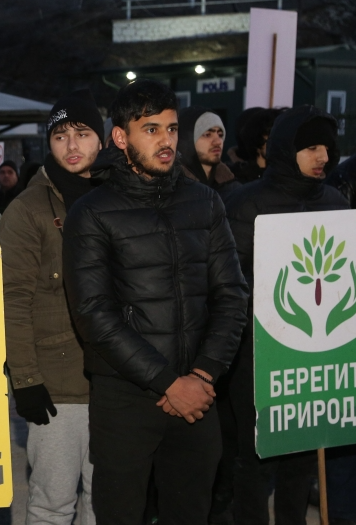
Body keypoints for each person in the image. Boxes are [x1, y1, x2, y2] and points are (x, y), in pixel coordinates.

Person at [62, 79, 249, 525]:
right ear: (121, 137)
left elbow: (232, 294)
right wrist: (168, 383)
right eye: (151, 129)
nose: (166, 141)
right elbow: (93, 315)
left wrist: (202, 375)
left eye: (171, 128)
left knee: (192, 513)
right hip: (125, 400)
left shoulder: (205, 202)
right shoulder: (91, 212)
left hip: (199, 395)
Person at [224, 105, 348, 525]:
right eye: (310, 147)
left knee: (302, 461)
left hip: (315, 359)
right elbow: (227, 287)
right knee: (256, 464)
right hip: (255, 361)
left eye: (327, 148)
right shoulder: (244, 204)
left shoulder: (335, 202)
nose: (322, 158)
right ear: (284, 149)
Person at [2, 89, 105, 525]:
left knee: (104, 505)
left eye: (82, 133)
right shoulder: (28, 209)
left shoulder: (119, 198)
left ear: (103, 139)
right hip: (57, 385)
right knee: (51, 504)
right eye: (60, 136)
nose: (72, 145)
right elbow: (13, 298)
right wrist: (25, 379)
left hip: (117, 381)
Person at [176, 107, 240, 196]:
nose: (218, 141)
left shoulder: (234, 190)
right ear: (186, 140)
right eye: (207, 135)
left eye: (220, 134)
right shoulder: (169, 191)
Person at [230, 108, 284, 184]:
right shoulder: (236, 180)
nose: (279, 144)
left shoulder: (287, 178)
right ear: (257, 140)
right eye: (272, 138)